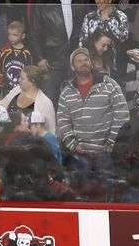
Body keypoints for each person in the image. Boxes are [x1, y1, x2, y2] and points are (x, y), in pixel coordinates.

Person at [56, 47, 130, 196]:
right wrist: (73, 145)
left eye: (86, 59)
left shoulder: (109, 84)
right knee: (81, 198)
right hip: (79, 157)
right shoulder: (66, 92)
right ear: (73, 67)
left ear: (91, 63)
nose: (83, 63)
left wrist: (110, 143)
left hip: (106, 156)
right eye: (79, 61)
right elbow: (62, 121)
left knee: (106, 197)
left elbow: (122, 115)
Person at [30, 0, 85, 98]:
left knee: (76, 98)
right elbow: (34, 30)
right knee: (51, 98)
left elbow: (84, 25)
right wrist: (40, 58)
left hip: (74, 56)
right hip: (52, 58)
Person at [0, 64, 57, 134]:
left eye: (22, 78)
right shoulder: (16, 90)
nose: (19, 80)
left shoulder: (45, 103)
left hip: (29, 143)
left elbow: (51, 131)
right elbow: (1, 108)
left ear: (32, 82)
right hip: (6, 138)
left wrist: (28, 132)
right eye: (19, 77)